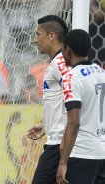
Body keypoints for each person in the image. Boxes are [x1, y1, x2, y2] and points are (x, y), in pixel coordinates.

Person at [56, 29, 105, 184]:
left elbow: (74, 122)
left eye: (63, 49)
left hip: (82, 154)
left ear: (68, 49)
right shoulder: (100, 71)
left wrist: (63, 162)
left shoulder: (71, 77)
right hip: (102, 154)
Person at [25, 15, 70, 184]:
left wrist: (64, 134)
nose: (35, 40)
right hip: (59, 139)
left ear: (51, 36)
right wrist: (47, 126)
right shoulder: (58, 62)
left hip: (59, 144)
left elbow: (74, 99)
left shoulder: (61, 64)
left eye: (38, 35)